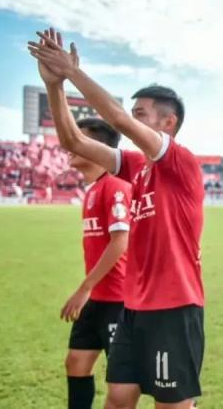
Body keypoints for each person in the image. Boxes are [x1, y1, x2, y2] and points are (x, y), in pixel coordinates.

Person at [29, 28, 204, 409]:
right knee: (118, 398)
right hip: (133, 308)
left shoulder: (181, 162)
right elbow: (74, 142)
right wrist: (55, 86)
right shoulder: (137, 166)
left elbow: (119, 119)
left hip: (174, 307)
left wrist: (73, 72)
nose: (132, 119)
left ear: (168, 123)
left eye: (142, 113)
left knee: (172, 406)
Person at [63, 118, 131, 409]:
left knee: (123, 386)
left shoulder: (115, 186)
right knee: (76, 362)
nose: (69, 146)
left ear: (97, 147)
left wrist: (83, 288)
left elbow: (120, 241)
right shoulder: (93, 189)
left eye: (78, 139)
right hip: (97, 299)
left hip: (119, 301)